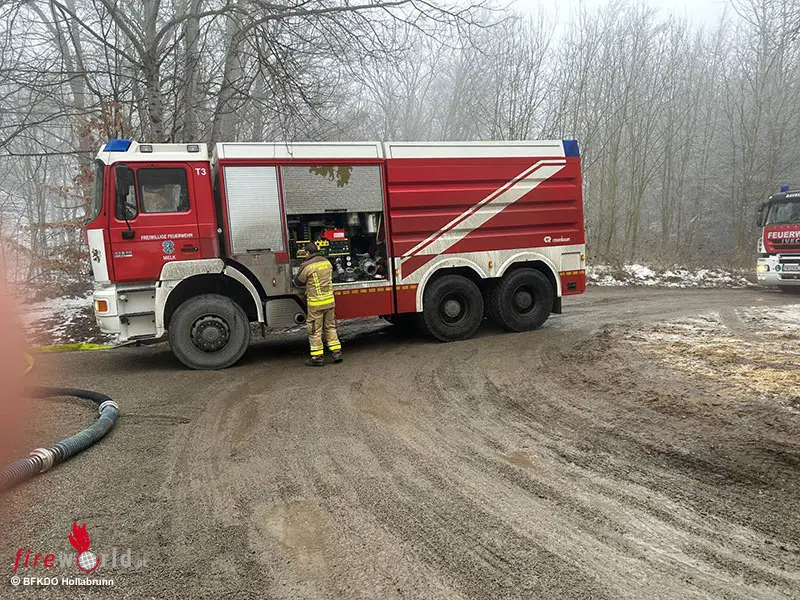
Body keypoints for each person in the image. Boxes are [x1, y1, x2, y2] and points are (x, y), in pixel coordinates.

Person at [293, 242, 342, 366]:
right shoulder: (327, 263)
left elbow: (298, 282)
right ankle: (336, 352)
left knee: (315, 330)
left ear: (308, 253)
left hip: (316, 304)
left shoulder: (307, 266)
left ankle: (317, 357)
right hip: (329, 301)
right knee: (330, 327)